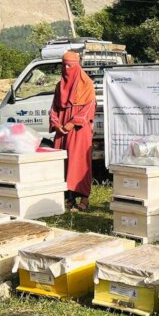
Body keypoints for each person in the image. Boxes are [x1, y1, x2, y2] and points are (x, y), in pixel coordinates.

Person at [49, 50, 96, 212]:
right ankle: (69, 198)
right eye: (64, 65)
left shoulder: (86, 84)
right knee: (62, 162)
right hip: (61, 131)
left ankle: (84, 198)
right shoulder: (59, 86)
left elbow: (89, 108)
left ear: (77, 66)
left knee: (79, 163)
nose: (66, 69)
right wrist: (56, 124)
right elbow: (54, 109)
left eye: (70, 66)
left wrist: (72, 123)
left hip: (79, 130)